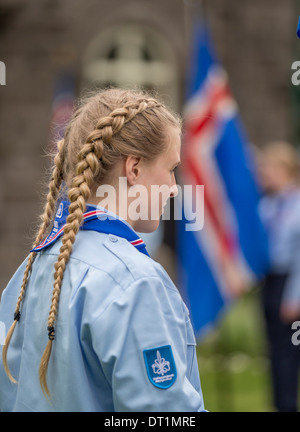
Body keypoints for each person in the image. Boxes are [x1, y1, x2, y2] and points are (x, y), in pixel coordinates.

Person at [0, 88, 206, 412]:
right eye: (170, 169)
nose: (173, 187)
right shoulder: (135, 283)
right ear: (134, 169)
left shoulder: (32, 266)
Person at [258, 140, 300, 412]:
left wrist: (294, 297)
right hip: (270, 282)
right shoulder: (267, 205)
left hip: (291, 283)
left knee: (289, 351)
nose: (264, 174)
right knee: (275, 352)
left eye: (269, 168)